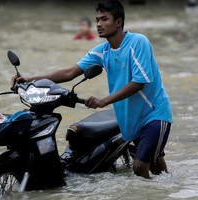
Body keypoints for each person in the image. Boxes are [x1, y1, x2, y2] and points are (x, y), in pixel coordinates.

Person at [12, 0, 172, 179]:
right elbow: (69, 72)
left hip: (153, 114)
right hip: (131, 118)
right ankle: (168, 188)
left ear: (118, 22)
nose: (98, 24)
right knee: (156, 164)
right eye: (97, 20)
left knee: (140, 166)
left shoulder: (138, 42)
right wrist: (30, 79)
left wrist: (104, 100)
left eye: (104, 19)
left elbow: (138, 83)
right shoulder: (103, 51)